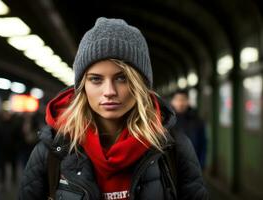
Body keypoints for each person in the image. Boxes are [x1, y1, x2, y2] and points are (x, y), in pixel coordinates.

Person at [19, 17, 208, 200]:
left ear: (140, 84)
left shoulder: (172, 148)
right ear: (82, 86)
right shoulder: (52, 151)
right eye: (96, 79)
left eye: (122, 78)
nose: (109, 91)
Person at [171, 90, 207, 170]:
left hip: (192, 165)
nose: (180, 103)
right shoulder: (167, 121)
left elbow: (203, 143)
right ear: (172, 102)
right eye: (177, 100)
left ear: (188, 101)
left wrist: (201, 165)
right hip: (172, 165)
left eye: (183, 99)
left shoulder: (197, 121)